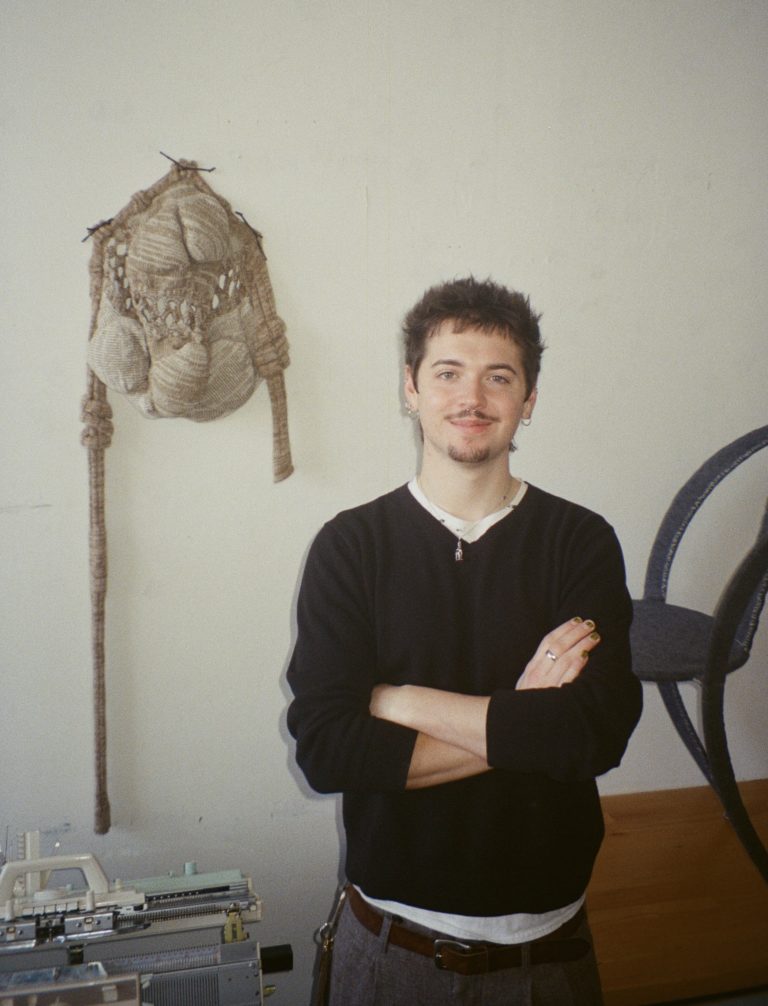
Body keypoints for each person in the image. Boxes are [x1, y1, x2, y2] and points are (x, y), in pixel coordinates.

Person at [287, 276, 642, 1005]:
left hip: (550, 960)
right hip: (389, 952)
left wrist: (396, 700)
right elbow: (327, 750)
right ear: (411, 388)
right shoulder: (350, 547)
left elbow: (594, 733)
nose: (471, 398)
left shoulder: (580, 541)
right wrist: (524, 716)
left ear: (529, 400)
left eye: (498, 377)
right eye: (448, 373)